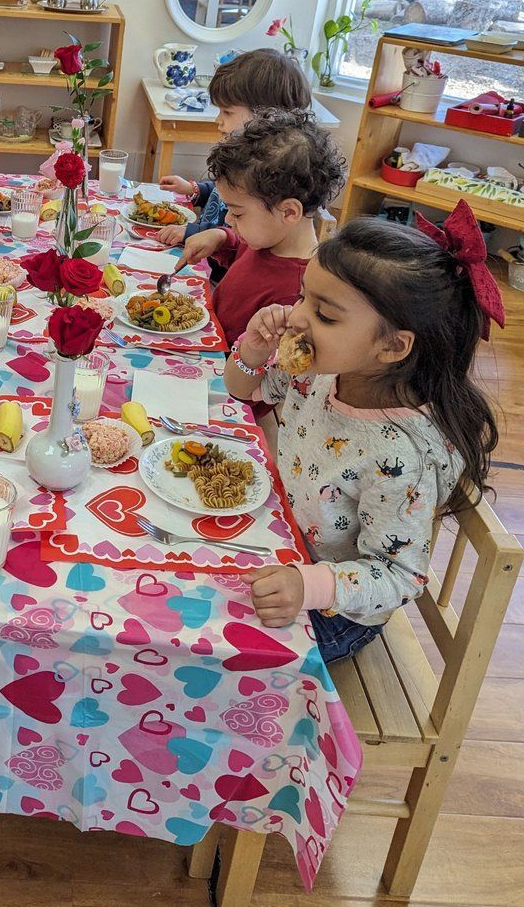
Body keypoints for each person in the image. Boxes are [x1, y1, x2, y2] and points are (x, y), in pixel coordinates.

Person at [223, 203, 503, 662]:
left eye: (325, 315)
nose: (296, 318)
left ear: (393, 346)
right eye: (302, 297)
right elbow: (240, 389)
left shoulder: (402, 457)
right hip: (285, 537)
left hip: (337, 611)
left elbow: (398, 576)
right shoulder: (322, 370)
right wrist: (252, 350)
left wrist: (306, 584)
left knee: (212, 642)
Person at [174, 110, 347, 348]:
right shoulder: (267, 239)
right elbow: (242, 255)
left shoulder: (294, 294)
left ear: (288, 212)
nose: (228, 218)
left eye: (238, 213)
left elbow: (259, 367)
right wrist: (221, 237)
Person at [156, 48, 312, 239]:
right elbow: (227, 195)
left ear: (268, 116)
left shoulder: (271, 171)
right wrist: (196, 189)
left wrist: (192, 232)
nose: (218, 121)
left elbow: (243, 239)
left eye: (227, 112)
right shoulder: (245, 156)